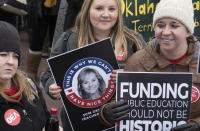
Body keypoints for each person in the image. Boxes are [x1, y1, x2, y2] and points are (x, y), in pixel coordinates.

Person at [41, 0, 146, 130]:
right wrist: (51, 86)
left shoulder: (133, 40)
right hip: (79, 121)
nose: (106, 14)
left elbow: (150, 78)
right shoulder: (68, 39)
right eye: (99, 8)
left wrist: (130, 77)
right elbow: (48, 74)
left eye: (112, 9)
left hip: (120, 121)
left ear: (119, 12)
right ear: (87, 10)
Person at [100, 0, 200, 130]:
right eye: (160, 25)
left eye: (174, 26)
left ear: (188, 31)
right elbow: (119, 104)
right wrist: (107, 113)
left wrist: (198, 124)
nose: (165, 32)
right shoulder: (137, 61)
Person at [0, 21, 50, 130]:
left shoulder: (28, 82)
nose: (11, 61)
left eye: (15, 56)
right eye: (3, 55)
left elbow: (47, 118)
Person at [26, 0, 61, 81]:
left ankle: (52, 74)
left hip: (60, 7)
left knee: (57, 43)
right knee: (36, 40)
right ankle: (31, 73)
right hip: (39, 7)